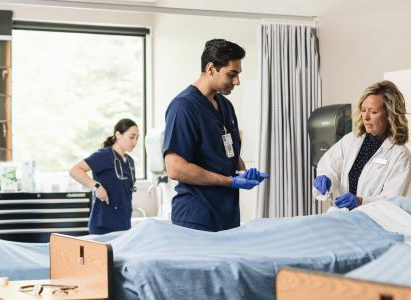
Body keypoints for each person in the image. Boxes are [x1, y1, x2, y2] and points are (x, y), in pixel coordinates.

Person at [163, 39, 268, 232]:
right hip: (196, 218)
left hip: (227, 217)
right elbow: (176, 168)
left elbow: (229, 156)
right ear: (211, 68)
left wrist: (244, 173)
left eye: (238, 74)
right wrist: (231, 181)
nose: (237, 81)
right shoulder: (183, 107)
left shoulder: (226, 106)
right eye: (232, 74)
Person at [313, 80, 411, 209]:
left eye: (373, 112)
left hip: (373, 221)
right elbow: (330, 166)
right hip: (343, 216)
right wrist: (326, 178)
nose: (366, 117)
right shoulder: (351, 140)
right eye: (363, 110)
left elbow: (392, 201)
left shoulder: (400, 154)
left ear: (389, 115)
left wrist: (360, 201)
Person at [70, 119, 139, 234]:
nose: (135, 142)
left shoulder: (130, 162)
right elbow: (75, 170)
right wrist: (96, 186)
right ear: (118, 135)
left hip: (123, 224)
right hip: (103, 225)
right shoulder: (104, 155)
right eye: (132, 137)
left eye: (137, 138)